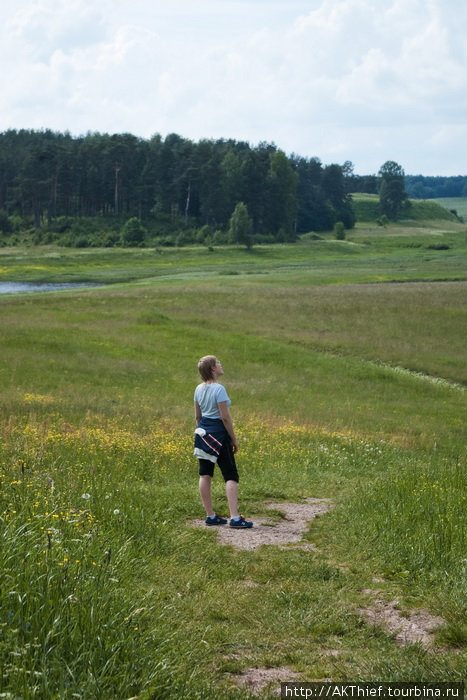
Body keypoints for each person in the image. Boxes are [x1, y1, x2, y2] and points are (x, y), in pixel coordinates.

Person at [194, 355, 253, 528]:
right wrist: (233, 439)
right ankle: (235, 517)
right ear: (213, 368)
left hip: (202, 434)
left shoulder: (198, 389)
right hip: (219, 435)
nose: (221, 364)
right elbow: (225, 417)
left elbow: (198, 416)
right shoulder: (219, 389)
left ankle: (210, 515)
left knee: (205, 474)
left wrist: (204, 433)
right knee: (230, 475)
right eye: (218, 362)